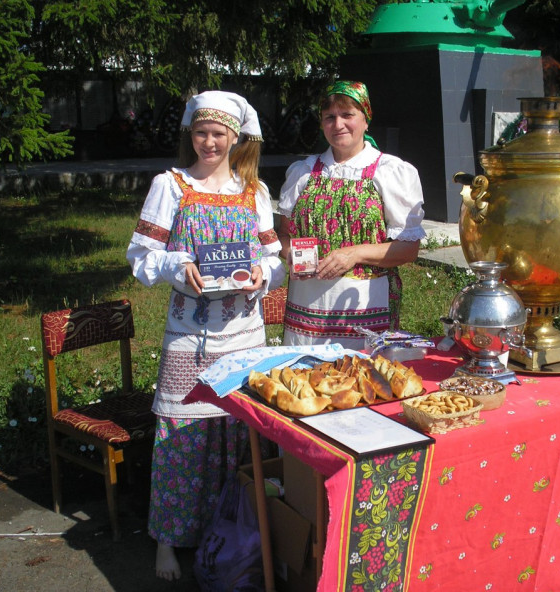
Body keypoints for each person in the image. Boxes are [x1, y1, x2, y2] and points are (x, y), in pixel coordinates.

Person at [126, 91, 284, 581]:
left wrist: (263, 274)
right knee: (181, 437)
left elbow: (274, 257)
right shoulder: (170, 185)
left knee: (238, 433)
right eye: (201, 133)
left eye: (218, 134)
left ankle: (233, 533)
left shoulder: (254, 191)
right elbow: (141, 255)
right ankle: (168, 542)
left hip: (243, 334)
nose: (209, 142)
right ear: (190, 135)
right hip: (189, 335)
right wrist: (178, 265)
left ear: (235, 138)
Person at [277, 80, 425, 351]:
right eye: (329, 117)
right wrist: (290, 254)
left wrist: (353, 254)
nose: (338, 124)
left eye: (347, 115)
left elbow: (408, 248)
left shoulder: (390, 172)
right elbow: (284, 234)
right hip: (306, 308)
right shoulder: (303, 172)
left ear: (366, 120)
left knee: (361, 374)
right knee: (305, 375)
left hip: (365, 307)